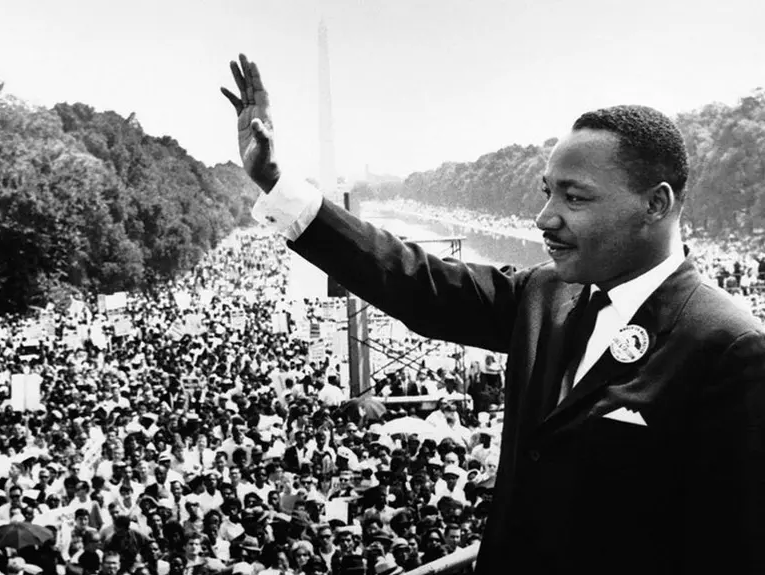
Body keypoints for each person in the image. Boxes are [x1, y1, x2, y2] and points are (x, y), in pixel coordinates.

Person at [221, 53, 765, 574]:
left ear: (656, 204)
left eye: (574, 198)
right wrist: (277, 182)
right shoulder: (545, 294)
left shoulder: (730, 348)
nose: (544, 218)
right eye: (547, 192)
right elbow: (415, 281)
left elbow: (730, 552)